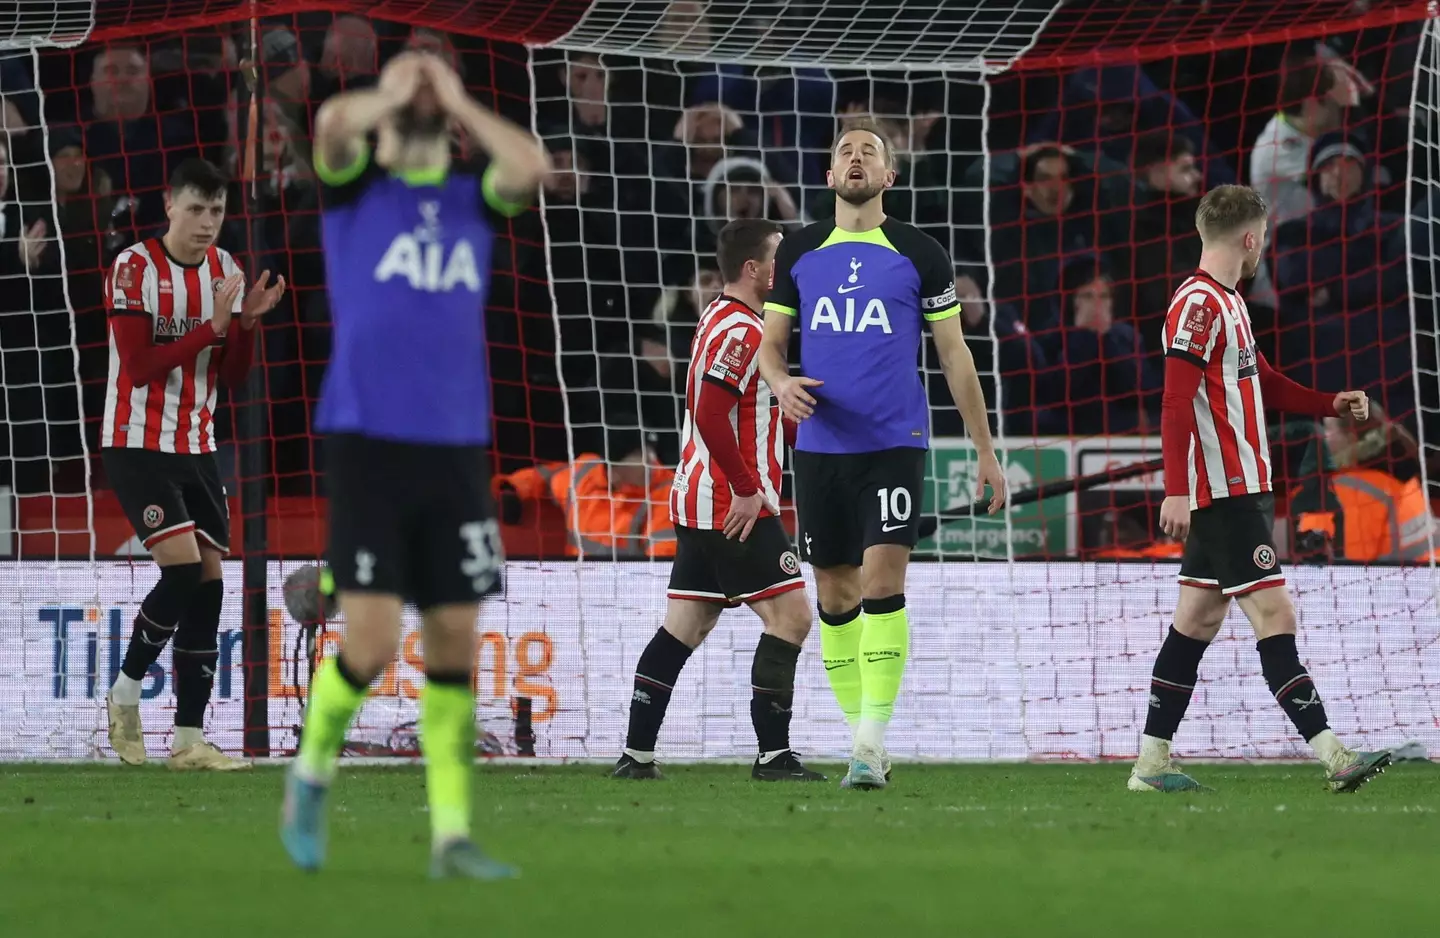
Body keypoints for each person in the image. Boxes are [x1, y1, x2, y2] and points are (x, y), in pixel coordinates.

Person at [278, 51, 550, 878]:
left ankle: (451, 836)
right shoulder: (358, 190)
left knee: (454, 643)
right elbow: (327, 126)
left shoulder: (474, 200)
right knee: (365, 643)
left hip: (456, 448)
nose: (421, 86)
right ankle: (310, 775)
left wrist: (457, 97)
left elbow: (530, 163)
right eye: (410, 82)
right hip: (367, 441)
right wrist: (395, 88)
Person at [757, 121, 1006, 790]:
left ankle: (869, 744)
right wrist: (780, 383)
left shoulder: (920, 252)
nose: (856, 157)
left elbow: (954, 355)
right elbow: (769, 345)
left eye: (870, 151)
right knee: (834, 596)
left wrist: (986, 452)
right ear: (829, 177)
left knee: (882, 585)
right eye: (844, 150)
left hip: (894, 443)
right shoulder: (802, 251)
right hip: (820, 448)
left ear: (890, 176)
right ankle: (862, 737)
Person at [1132, 183, 1391, 794]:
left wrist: (1331, 403)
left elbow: (1264, 381)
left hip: (1238, 491)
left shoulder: (1229, 302)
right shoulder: (1198, 304)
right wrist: (1176, 490)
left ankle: (1150, 765)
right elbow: (1173, 400)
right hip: (1223, 495)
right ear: (1251, 238)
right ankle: (1334, 755)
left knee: (1193, 624)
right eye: (1264, 240)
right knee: (1275, 612)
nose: (1262, 250)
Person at [613, 218, 824, 783]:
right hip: (732, 507)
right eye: (778, 255)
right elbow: (710, 412)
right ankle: (773, 757)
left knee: (685, 624)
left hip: (700, 501)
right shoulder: (746, 331)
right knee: (792, 617)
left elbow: (738, 406)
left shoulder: (721, 316)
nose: (787, 267)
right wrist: (750, 489)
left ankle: (636, 756)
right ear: (753, 269)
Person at [101, 158, 286, 770]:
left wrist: (247, 326)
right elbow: (140, 367)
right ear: (170, 205)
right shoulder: (134, 267)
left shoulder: (226, 271)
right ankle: (125, 691)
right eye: (197, 210)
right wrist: (211, 327)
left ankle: (188, 739)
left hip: (198, 447)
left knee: (209, 585)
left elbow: (231, 377)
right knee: (181, 571)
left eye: (218, 211)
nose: (208, 223)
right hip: (136, 442)